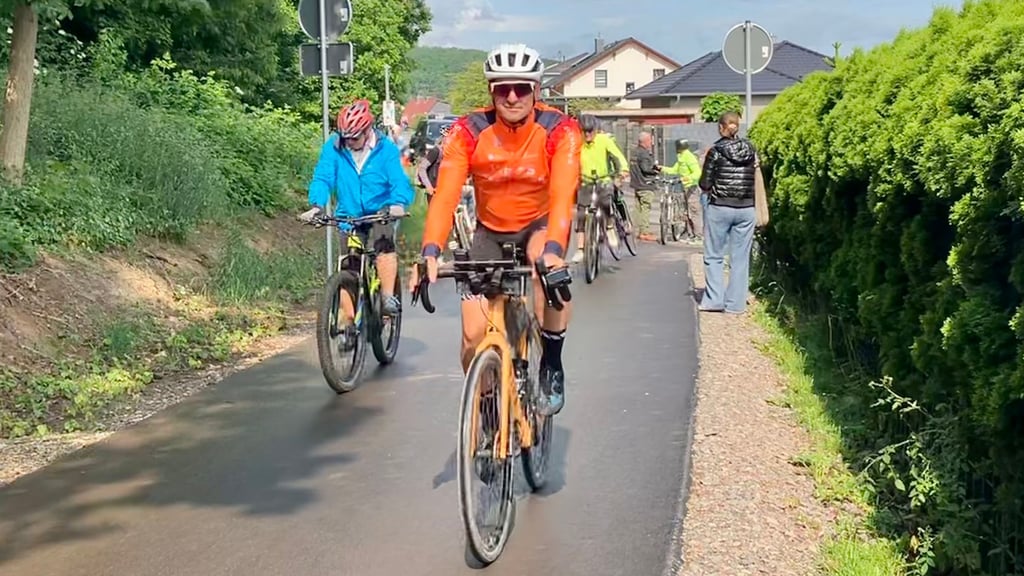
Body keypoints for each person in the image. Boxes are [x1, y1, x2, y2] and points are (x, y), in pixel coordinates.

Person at [408, 43, 581, 416]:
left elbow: (564, 193)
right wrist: (430, 251)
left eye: (521, 88)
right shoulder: (468, 131)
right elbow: (446, 195)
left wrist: (554, 248)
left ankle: (551, 361)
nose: (513, 96)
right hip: (490, 230)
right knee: (473, 336)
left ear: (536, 91)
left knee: (544, 266)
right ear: (492, 92)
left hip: (541, 224)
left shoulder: (559, 130)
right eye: (503, 89)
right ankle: (485, 406)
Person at [300, 99, 414, 318]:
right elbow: (323, 177)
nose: (349, 142)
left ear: (367, 130)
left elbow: (399, 181)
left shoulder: (385, 149)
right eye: (346, 137)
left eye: (354, 137)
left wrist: (397, 204)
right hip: (349, 215)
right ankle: (349, 322)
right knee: (348, 265)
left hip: (380, 212)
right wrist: (316, 205)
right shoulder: (335, 146)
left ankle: (388, 296)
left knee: (383, 248)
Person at [698, 111, 758, 314]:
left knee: (714, 255)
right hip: (746, 208)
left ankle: (714, 300)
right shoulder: (751, 149)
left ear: (721, 128)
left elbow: (705, 183)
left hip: (720, 207)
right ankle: (735, 304)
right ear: (737, 127)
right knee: (740, 258)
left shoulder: (716, 150)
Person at [571, 113, 630, 263]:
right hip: (585, 180)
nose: (588, 134)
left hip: (603, 179)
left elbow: (618, 155)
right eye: (584, 131)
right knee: (581, 213)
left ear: (596, 130)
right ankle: (580, 249)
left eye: (591, 131)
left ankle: (610, 227)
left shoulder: (604, 140)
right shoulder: (577, 142)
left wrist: (623, 169)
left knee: (606, 202)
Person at [660, 138, 703, 243]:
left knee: (694, 211)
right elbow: (675, 170)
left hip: (691, 187)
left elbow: (697, 173)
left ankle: (698, 236)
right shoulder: (681, 157)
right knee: (687, 211)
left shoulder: (689, 157)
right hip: (685, 187)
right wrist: (661, 168)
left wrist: (688, 178)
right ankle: (691, 235)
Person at [628, 131, 661, 242]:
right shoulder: (644, 154)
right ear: (646, 141)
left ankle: (636, 229)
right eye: (650, 140)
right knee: (645, 208)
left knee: (638, 208)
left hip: (636, 184)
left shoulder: (634, 152)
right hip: (645, 184)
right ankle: (644, 232)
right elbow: (646, 169)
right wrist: (656, 170)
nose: (651, 143)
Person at [415, 123, 450, 203]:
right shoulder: (436, 151)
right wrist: (429, 187)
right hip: (434, 190)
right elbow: (422, 168)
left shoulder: (451, 153)